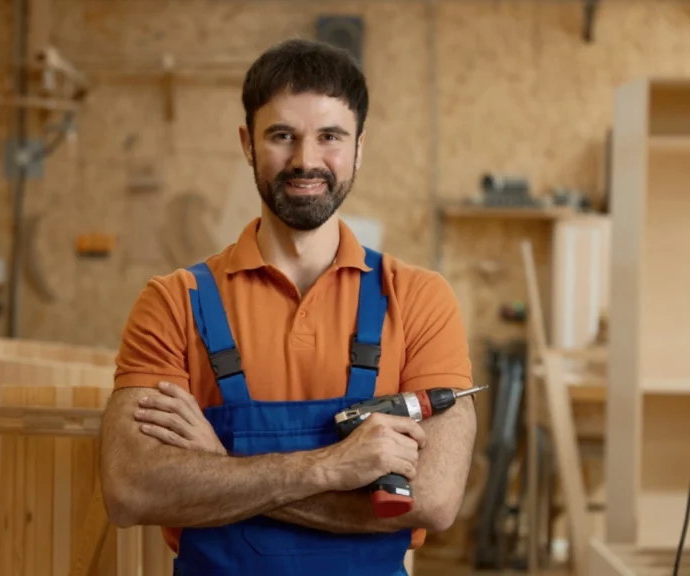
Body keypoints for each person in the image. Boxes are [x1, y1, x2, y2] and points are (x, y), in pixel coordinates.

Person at [100, 37, 477, 576]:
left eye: (330, 136)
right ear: (247, 144)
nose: (306, 160)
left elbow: (432, 500)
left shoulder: (418, 299)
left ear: (358, 148)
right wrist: (331, 469)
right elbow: (130, 489)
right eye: (282, 135)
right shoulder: (173, 302)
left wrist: (217, 471)